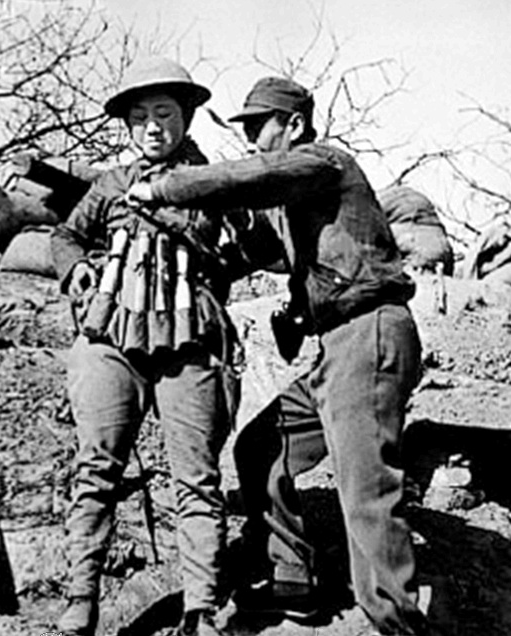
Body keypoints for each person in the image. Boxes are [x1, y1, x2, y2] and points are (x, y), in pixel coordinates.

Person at [126, 77, 431, 635]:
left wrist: (166, 188)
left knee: (365, 493)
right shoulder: (291, 210)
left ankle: (398, 626)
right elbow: (237, 255)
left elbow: (253, 178)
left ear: (293, 125)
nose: (252, 142)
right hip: (335, 350)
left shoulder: (322, 164)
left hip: (370, 334)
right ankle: (294, 581)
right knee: (264, 446)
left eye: (258, 127)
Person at [50, 57, 239, 636]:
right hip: (113, 336)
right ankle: (80, 600)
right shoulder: (110, 184)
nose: (153, 126)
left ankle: (201, 609)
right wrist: (77, 268)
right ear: (128, 126)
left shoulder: (215, 181)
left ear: (186, 117)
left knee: (196, 478)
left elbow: (253, 243)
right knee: (96, 469)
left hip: (188, 340)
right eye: (140, 117)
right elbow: (66, 235)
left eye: (164, 113)